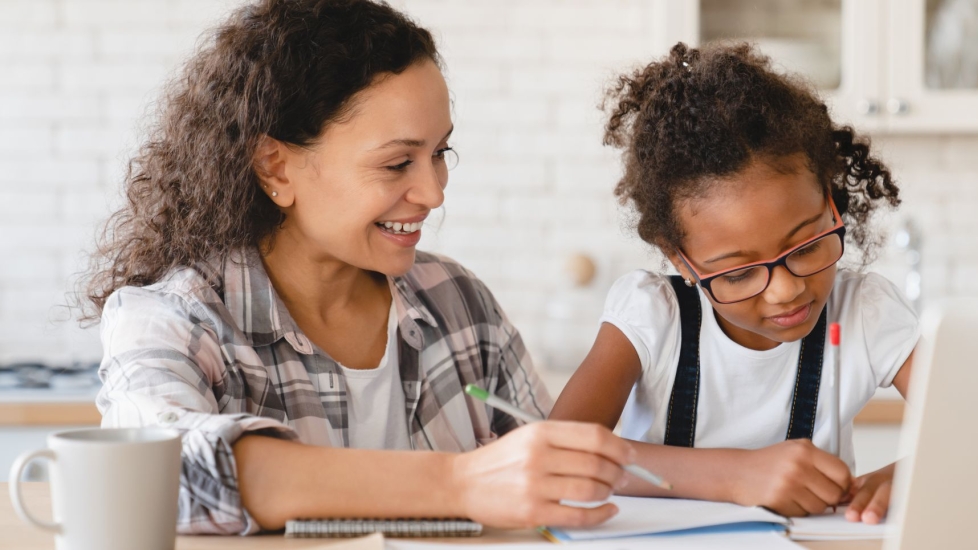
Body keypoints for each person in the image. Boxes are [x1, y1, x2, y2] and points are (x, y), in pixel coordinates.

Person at [85, 0, 631, 535]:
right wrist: (457, 483)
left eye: (440, 153)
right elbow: (161, 473)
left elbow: (551, 474)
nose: (434, 192)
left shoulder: (459, 302)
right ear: (276, 166)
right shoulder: (175, 319)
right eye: (398, 163)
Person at [550, 42, 920, 525]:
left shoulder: (865, 312)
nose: (785, 290)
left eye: (807, 246)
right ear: (679, 259)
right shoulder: (651, 314)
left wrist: (911, 472)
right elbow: (557, 455)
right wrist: (734, 474)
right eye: (740, 272)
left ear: (832, 205)